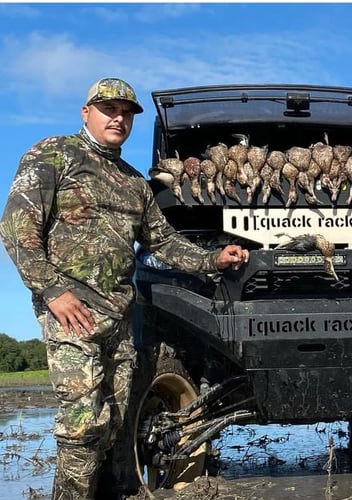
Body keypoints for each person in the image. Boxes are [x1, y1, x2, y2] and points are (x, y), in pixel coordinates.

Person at [0, 78, 250, 500]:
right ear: (86, 112)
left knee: (115, 423)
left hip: (120, 315)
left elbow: (163, 242)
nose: (118, 118)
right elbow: (16, 228)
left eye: (126, 113)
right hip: (72, 311)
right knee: (81, 425)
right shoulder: (54, 154)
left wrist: (213, 260)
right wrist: (52, 291)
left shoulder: (135, 182)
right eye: (108, 109)